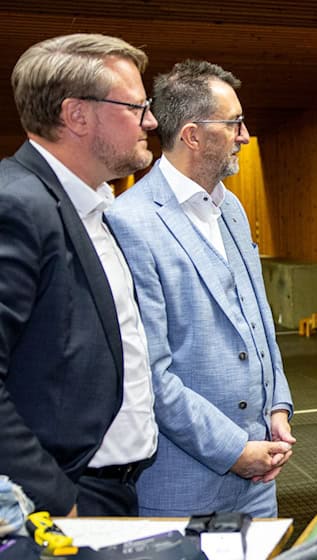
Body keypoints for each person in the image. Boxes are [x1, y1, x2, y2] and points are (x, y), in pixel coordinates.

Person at [105, 60, 294, 518]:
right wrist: (234, 450)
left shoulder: (232, 210)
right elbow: (151, 374)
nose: (245, 135)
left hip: (259, 478)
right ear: (192, 135)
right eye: (234, 124)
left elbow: (258, 320)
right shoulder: (130, 222)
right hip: (182, 485)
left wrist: (278, 408)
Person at [0, 34, 159, 516]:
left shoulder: (90, 206)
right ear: (78, 115)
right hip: (65, 495)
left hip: (112, 486)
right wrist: (55, 496)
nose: (151, 120)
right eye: (137, 106)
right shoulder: (19, 206)